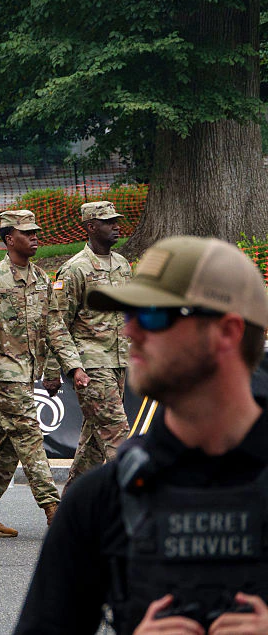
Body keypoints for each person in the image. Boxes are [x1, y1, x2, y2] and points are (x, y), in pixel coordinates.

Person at [15, 235, 268, 635]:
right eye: (129, 313)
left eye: (153, 315)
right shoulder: (99, 500)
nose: (131, 330)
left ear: (228, 332)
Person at [0, 210, 88, 536]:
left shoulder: (42, 280)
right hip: (4, 376)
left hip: (27, 371)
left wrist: (72, 366)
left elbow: (56, 328)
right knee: (31, 437)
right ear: (9, 239)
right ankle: (53, 510)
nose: (35, 238)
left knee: (6, 445)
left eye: (36, 232)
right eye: (27, 233)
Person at [44, 201, 132, 488]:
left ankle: (71, 506)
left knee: (94, 442)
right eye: (107, 222)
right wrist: (58, 370)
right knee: (118, 436)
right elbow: (57, 323)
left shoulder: (122, 264)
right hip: (90, 366)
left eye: (116, 220)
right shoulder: (74, 270)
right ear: (91, 227)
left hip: (119, 362)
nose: (116, 226)